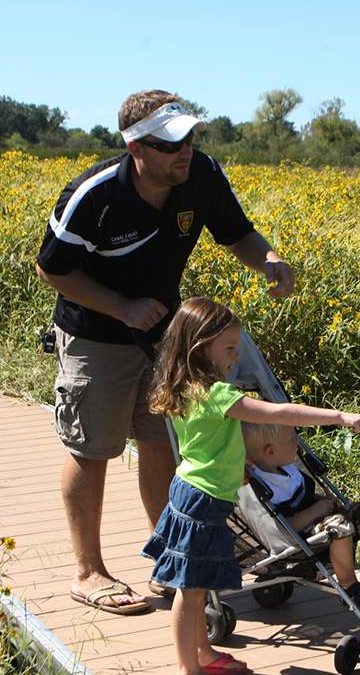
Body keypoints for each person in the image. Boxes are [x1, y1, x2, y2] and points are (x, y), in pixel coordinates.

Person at [35, 90, 295, 616]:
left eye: (190, 139)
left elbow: (236, 234)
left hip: (163, 335)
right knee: (94, 446)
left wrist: (268, 259)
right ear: (136, 147)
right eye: (170, 144)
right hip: (95, 333)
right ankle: (89, 572)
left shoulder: (201, 175)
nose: (185, 152)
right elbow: (53, 269)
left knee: (164, 442)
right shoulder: (94, 193)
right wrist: (122, 307)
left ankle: (169, 563)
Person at [141, 298, 360, 675]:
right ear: (200, 347)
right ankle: (186, 674)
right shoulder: (215, 393)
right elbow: (279, 412)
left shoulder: (186, 388)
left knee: (197, 585)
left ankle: (203, 653)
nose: (235, 357)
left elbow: (209, 443)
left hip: (199, 494)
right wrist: (338, 417)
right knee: (190, 589)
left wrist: (238, 462)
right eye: (229, 349)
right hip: (200, 501)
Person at [242, 422, 360, 610]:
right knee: (340, 525)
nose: (297, 444)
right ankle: (350, 587)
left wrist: (326, 503)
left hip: (321, 520)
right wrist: (317, 510)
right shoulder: (260, 485)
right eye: (291, 439)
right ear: (270, 451)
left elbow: (303, 497)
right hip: (297, 537)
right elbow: (284, 526)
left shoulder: (285, 468)